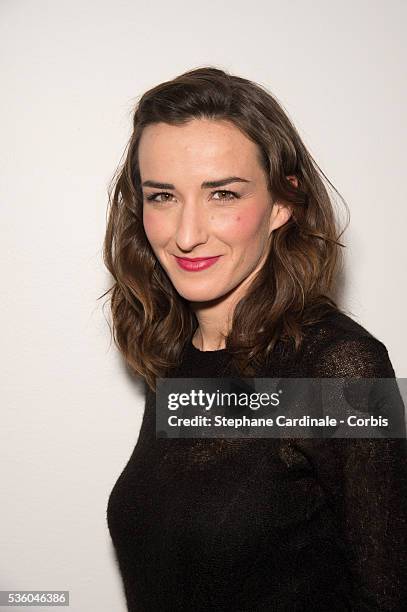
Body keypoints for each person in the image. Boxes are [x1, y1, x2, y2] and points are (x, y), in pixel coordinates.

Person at [103, 66, 407, 611]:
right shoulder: (177, 356)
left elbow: (389, 589)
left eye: (221, 194)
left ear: (283, 202)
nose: (187, 233)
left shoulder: (340, 366)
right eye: (163, 197)